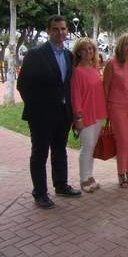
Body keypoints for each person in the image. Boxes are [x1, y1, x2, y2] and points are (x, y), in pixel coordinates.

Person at [17, 15, 81, 209]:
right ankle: (40, 193)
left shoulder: (69, 55)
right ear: (48, 31)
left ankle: (61, 185)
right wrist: (37, 108)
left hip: (63, 113)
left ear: (67, 31)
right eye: (55, 29)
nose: (59, 32)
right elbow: (23, 85)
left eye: (63, 28)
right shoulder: (35, 54)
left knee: (60, 150)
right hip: (41, 115)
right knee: (40, 153)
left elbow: (68, 85)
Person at [103, 33, 128, 188]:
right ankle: (121, 173)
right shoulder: (112, 63)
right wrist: (106, 109)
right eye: (126, 44)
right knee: (123, 140)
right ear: (120, 46)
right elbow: (105, 87)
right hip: (117, 106)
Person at [71, 38, 107, 193]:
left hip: (97, 113)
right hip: (85, 114)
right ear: (78, 52)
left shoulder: (94, 69)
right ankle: (83, 179)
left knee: (92, 147)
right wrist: (78, 117)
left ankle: (89, 175)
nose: (88, 52)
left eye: (91, 49)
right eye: (85, 49)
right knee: (86, 147)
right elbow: (75, 96)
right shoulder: (76, 71)